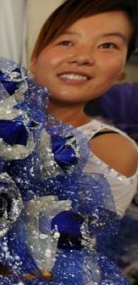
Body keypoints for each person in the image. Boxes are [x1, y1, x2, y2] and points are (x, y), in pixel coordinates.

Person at [30, 0, 138, 217]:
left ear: (121, 68)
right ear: (35, 58)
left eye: (107, 45)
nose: (82, 57)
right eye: (66, 42)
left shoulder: (111, 148)